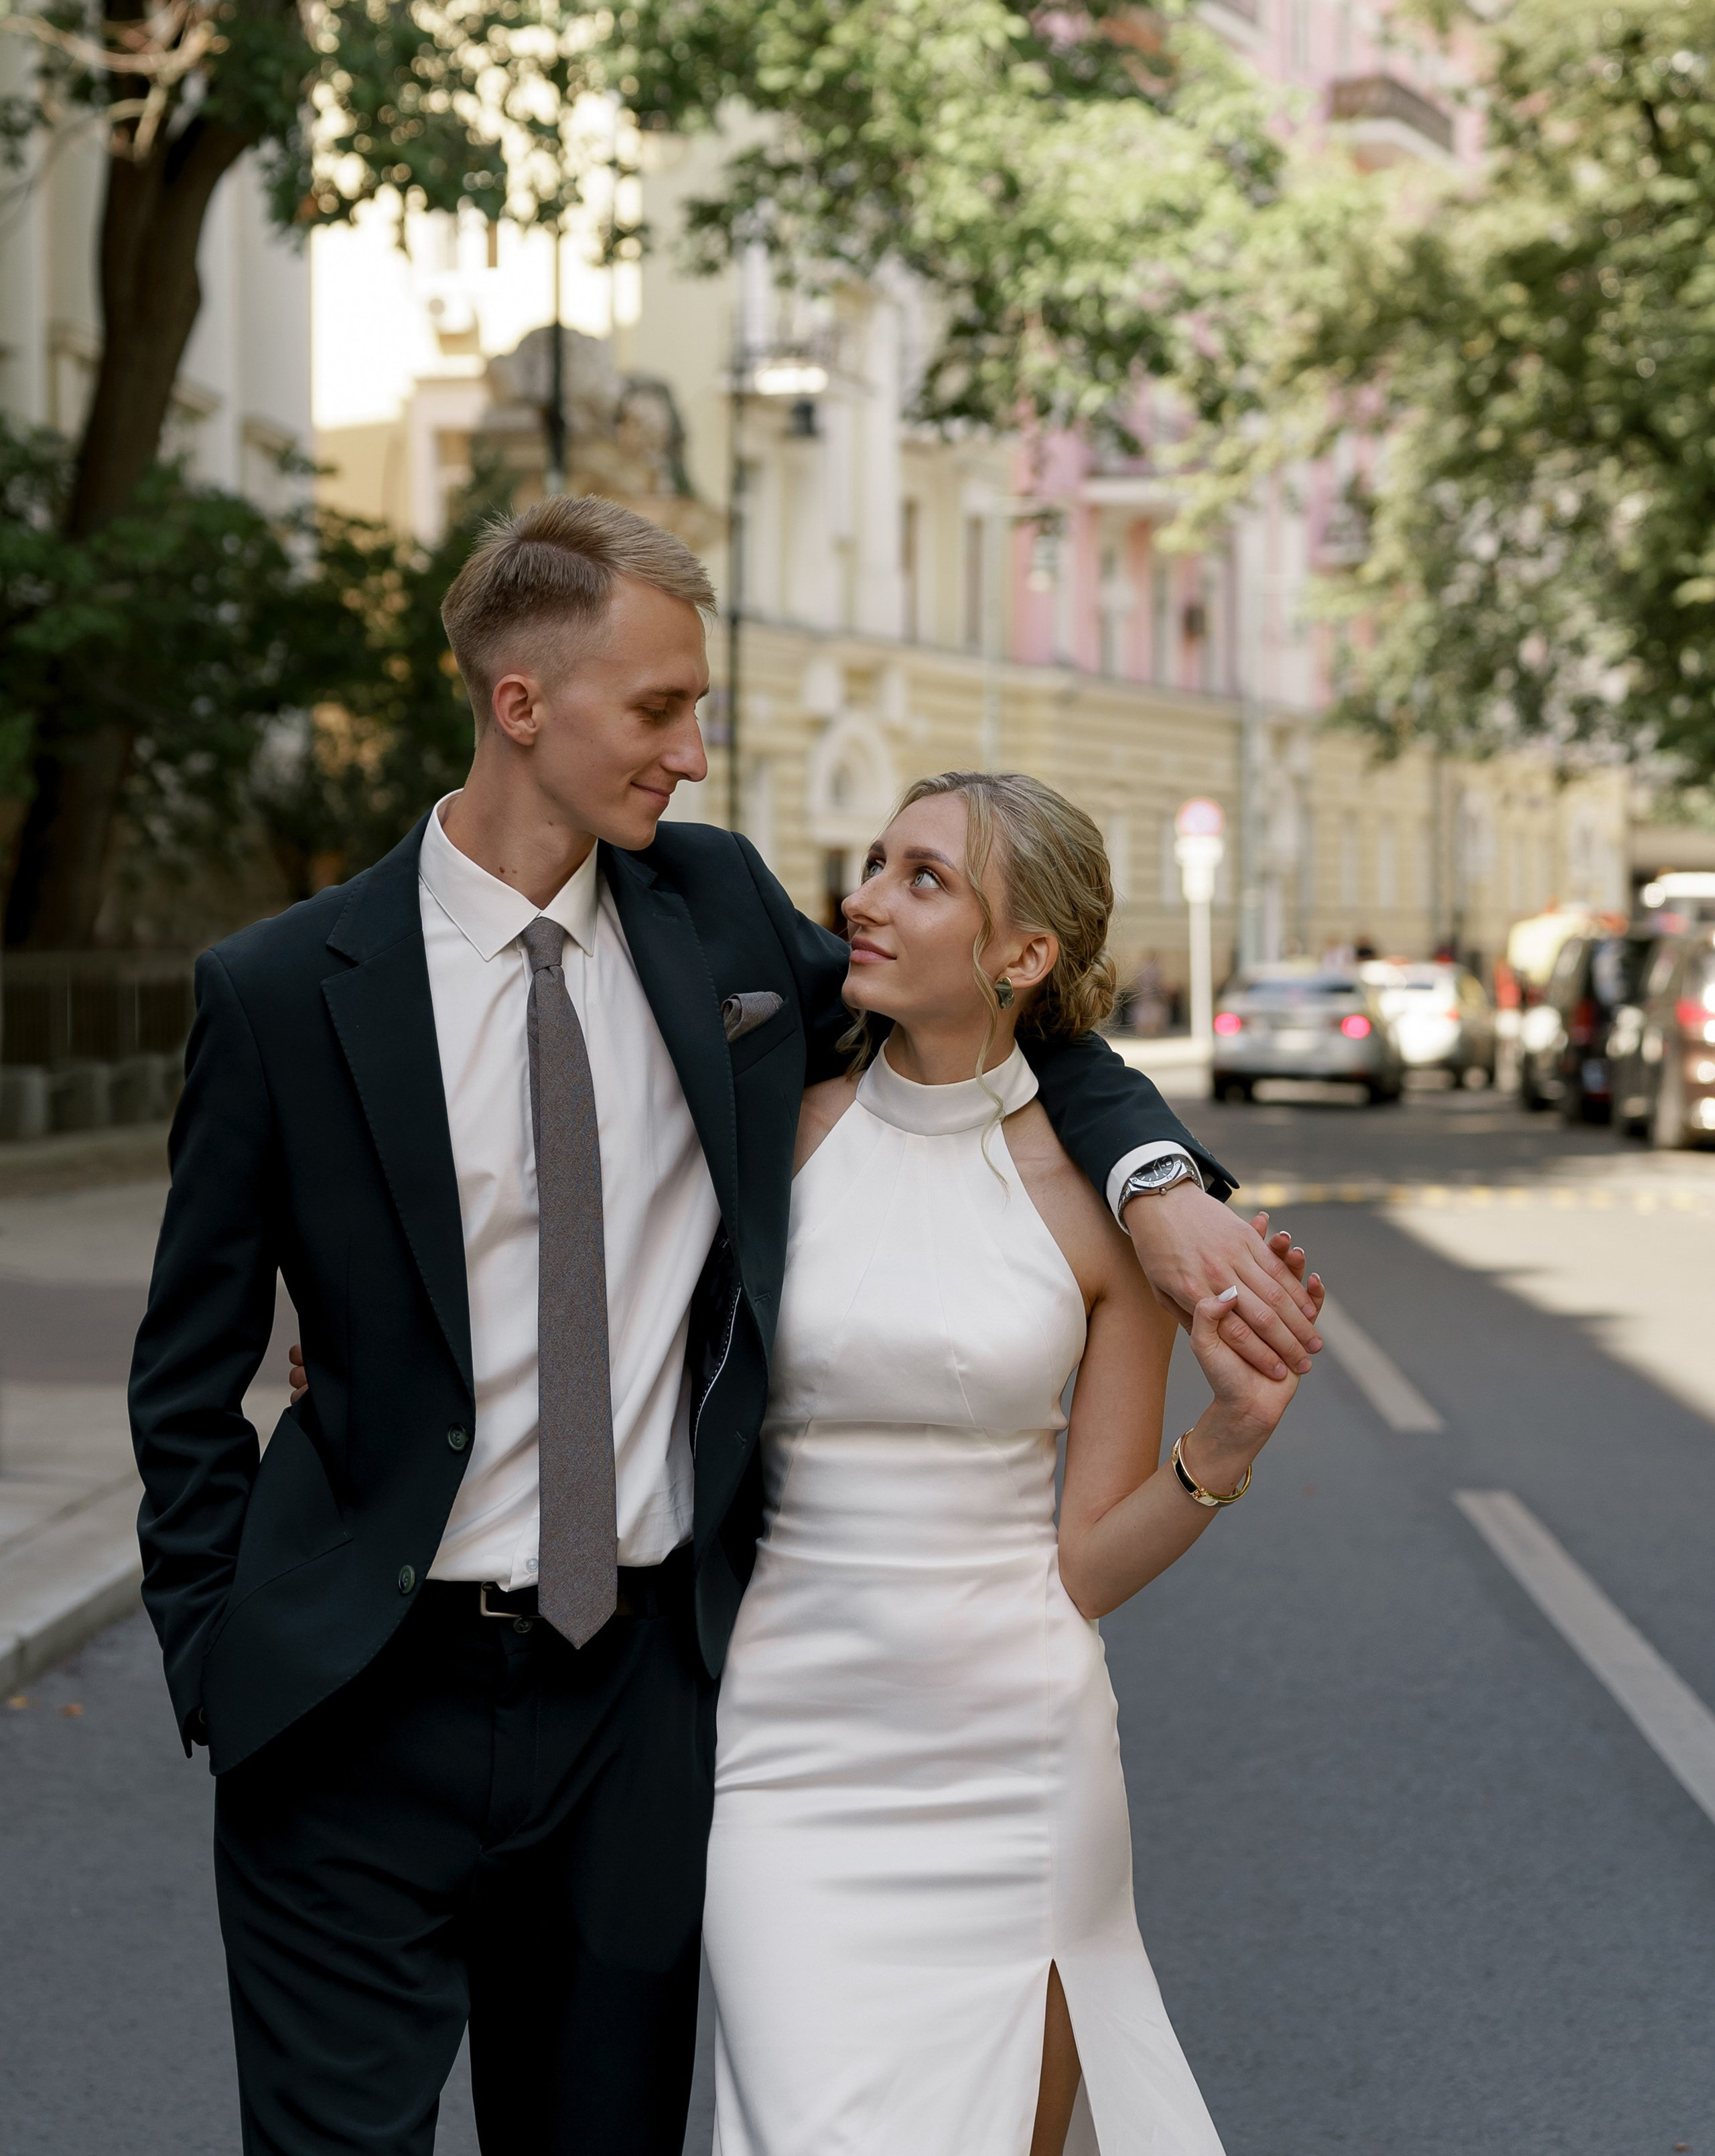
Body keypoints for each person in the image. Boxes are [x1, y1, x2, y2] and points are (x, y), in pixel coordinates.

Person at [130, 495, 1323, 2156]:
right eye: (661, 708)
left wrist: (1157, 1181)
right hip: (351, 1705)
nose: (695, 754)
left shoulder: (723, 923)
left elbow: (1006, 1027)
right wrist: (215, 1661)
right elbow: (181, 1378)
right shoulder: (276, 992)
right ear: (520, 704)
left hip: (636, 1710)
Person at [703, 773, 1311, 2156]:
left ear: (1021, 956)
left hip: (1014, 1761)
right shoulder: (775, 1139)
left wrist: (1221, 1444)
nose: (858, 901)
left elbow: (1087, 1560)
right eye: (872, 865)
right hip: (785, 1751)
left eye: (922, 879)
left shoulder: (1106, 1216)